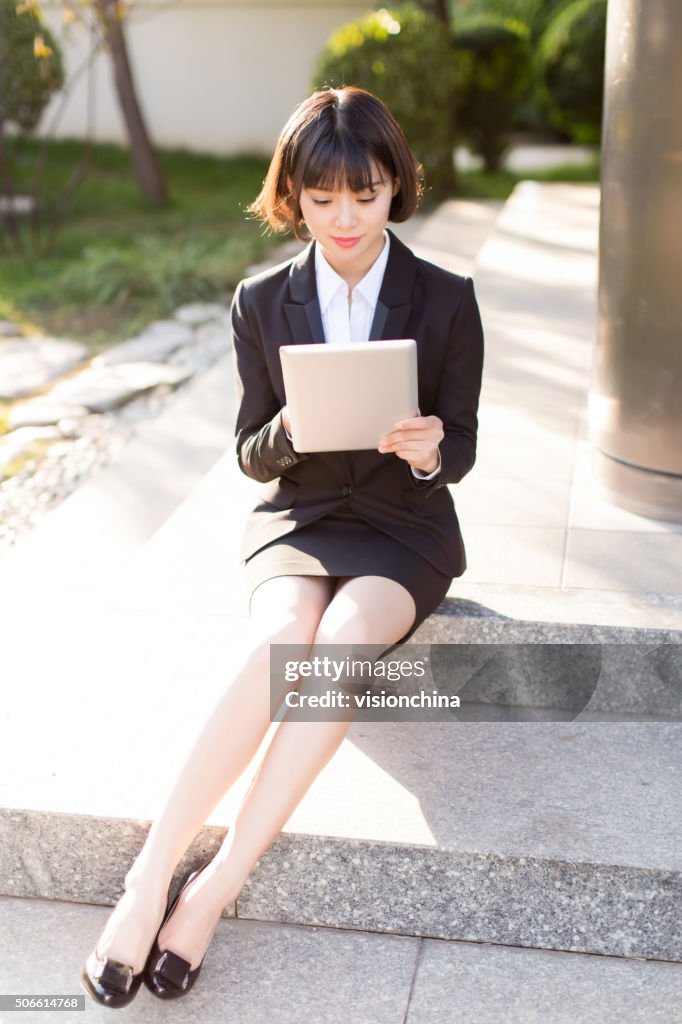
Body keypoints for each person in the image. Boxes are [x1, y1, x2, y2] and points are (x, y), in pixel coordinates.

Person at [81, 85, 484, 1008]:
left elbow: (460, 444)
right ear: (293, 194)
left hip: (403, 528)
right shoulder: (262, 300)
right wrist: (296, 428)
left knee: (337, 645)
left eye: (367, 195)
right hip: (299, 518)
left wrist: (431, 450)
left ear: (396, 190)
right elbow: (247, 450)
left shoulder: (448, 299)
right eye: (323, 198)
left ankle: (212, 890)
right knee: (276, 649)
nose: (345, 219)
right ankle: (149, 880)